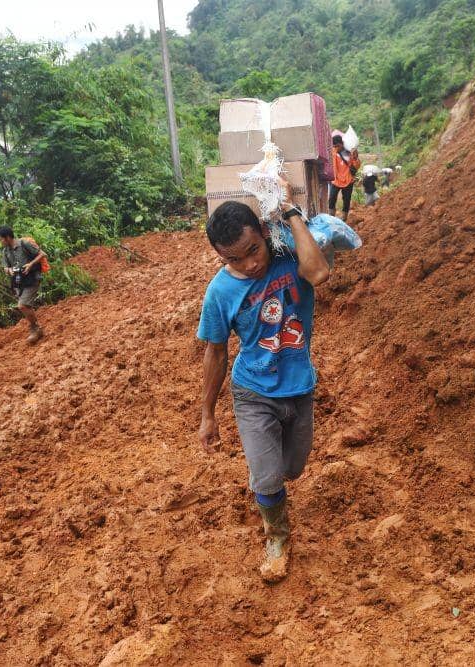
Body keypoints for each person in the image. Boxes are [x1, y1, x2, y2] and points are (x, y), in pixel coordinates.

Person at [197, 179, 330, 583]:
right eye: (235, 259)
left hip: (299, 386)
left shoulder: (290, 257)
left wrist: (289, 211)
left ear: (263, 232)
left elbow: (319, 272)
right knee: (268, 476)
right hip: (252, 391)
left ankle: (272, 485)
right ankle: (277, 538)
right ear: (220, 256)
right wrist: (207, 414)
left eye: (253, 250)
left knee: (292, 468)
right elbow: (216, 352)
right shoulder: (220, 292)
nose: (250, 264)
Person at [0, 226, 47, 344]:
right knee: (26, 306)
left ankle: (35, 328)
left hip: (32, 278)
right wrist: (9, 271)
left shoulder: (24, 244)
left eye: (1, 239)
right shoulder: (5, 251)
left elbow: (42, 254)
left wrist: (30, 264)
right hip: (19, 281)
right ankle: (36, 328)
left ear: (7, 237)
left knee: (22, 305)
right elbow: (5, 267)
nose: (0, 242)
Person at [328, 134, 361, 221]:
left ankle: (344, 218)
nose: (336, 148)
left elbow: (356, 166)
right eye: (334, 146)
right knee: (331, 198)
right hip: (336, 180)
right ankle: (331, 217)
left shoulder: (349, 153)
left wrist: (356, 158)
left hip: (348, 180)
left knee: (346, 200)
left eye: (337, 146)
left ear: (342, 143)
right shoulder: (333, 152)